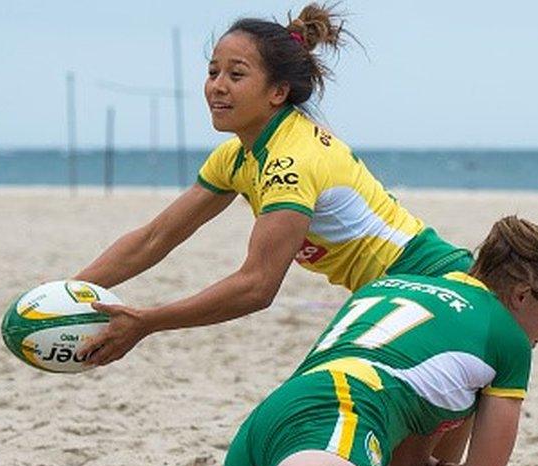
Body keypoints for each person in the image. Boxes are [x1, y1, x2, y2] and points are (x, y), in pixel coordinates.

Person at [86, 216, 538, 466]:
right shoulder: (505, 342)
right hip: (341, 418)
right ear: (523, 295)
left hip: (275, 427)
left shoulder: (407, 284)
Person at [75, 4, 472, 367]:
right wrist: (71, 289)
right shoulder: (236, 157)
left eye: (236, 74)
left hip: (430, 286)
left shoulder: (290, 163)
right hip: (422, 288)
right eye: (213, 71)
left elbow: (256, 287)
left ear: (278, 92)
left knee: (322, 400)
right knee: (411, 444)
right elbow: (155, 237)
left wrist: (147, 322)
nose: (217, 86)